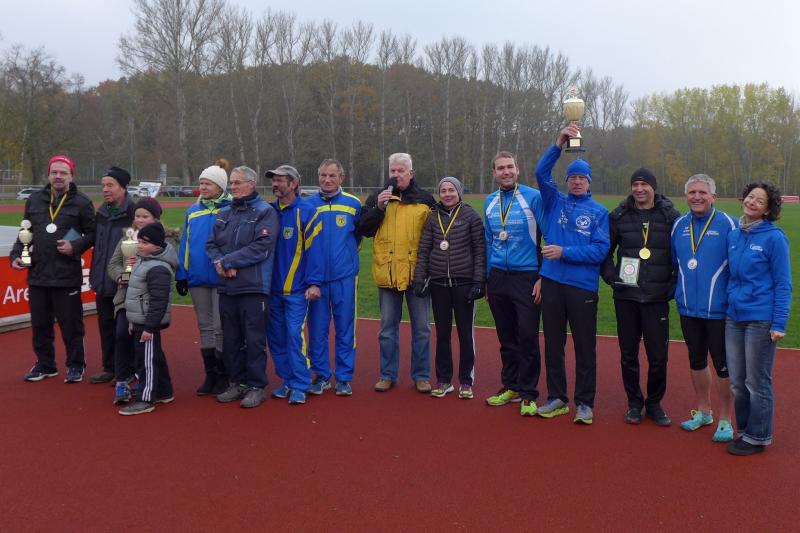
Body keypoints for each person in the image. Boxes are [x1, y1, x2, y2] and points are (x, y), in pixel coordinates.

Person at [534, 124, 610, 425]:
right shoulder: (556, 202)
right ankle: (556, 397)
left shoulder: (599, 212)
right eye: (573, 177)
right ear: (567, 181)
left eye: (582, 178)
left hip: (582, 287)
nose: (577, 182)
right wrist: (558, 144)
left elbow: (599, 251)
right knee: (553, 344)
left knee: (584, 346)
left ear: (589, 182)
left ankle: (585, 403)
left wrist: (564, 252)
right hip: (552, 283)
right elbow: (541, 172)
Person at [602, 168, 679, 426]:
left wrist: (671, 287)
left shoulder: (671, 217)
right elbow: (604, 252)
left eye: (644, 184)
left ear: (653, 188)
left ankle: (654, 403)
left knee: (658, 357)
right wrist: (611, 277)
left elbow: (682, 257)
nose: (639, 189)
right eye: (635, 184)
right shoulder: (618, 216)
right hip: (626, 297)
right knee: (628, 355)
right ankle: (634, 403)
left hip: (656, 298)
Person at [11, 155, 96, 383]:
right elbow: (25, 232)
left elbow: (92, 233)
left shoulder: (82, 202)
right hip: (38, 274)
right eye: (54, 172)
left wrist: (75, 246)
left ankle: (76, 365)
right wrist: (16, 255)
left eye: (63, 173)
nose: (58, 176)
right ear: (48, 175)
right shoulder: (34, 200)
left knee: (71, 325)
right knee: (40, 325)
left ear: (71, 176)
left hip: (66, 275)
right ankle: (45, 364)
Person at [360, 153, 436, 393]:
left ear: (411, 173)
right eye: (392, 171)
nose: (396, 175)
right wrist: (379, 208)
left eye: (401, 171)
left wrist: (428, 271)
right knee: (387, 329)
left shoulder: (425, 200)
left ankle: (421, 376)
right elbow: (364, 229)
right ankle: (387, 375)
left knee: (422, 328)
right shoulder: (377, 198)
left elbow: (435, 236)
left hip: (417, 275)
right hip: (388, 273)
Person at [725, 182, 791, 456]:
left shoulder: (775, 238)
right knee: (737, 382)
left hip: (760, 319)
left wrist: (779, 323)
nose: (752, 202)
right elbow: (731, 276)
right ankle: (745, 430)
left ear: (767, 210)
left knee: (756, 382)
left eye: (759, 201)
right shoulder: (734, 235)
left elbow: (783, 283)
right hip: (734, 317)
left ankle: (758, 436)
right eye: (750, 197)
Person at [671, 174, 737, 442]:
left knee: (723, 366)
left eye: (702, 192)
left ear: (713, 196)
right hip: (688, 308)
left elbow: (739, 266)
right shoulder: (678, 225)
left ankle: (726, 419)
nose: (697, 197)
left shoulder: (729, 224)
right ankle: (704, 411)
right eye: (692, 192)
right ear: (686, 196)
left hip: (720, 311)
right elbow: (674, 264)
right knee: (696, 361)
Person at [207, 166, 279, 409]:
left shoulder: (265, 211)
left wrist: (228, 261)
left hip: (253, 287)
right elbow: (211, 244)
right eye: (232, 183)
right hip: (227, 286)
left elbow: (262, 247)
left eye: (238, 182)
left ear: (252, 184)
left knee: (254, 339)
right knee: (231, 339)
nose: (233, 187)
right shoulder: (224, 212)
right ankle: (237, 382)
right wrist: (220, 263)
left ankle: (256, 386)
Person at [482, 152, 545, 414]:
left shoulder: (534, 197)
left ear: (517, 169)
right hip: (498, 277)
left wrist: (542, 276)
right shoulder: (489, 201)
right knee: (506, 337)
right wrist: (488, 279)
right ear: (494, 173)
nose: (506, 172)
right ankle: (511, 386)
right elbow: (489, 241)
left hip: (527, 276)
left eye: (510, 167)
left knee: (528, 336)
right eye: (500, 168)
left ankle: (529, 393)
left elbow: (549, 236)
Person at [414, 176, 486, 399]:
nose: (447, 194)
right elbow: (424, 249)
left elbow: (480, 251)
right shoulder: (432, 217)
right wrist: (419, 278)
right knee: (442, 334)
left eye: (451, 190)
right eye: (443, 190)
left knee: (465, 334)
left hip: (464, 284)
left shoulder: (471, 216)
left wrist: (478, 282)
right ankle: (444, 380)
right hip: (438, 285)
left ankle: (466, 381)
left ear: (459, 192)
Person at [304, 159, 362, 396]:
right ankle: (321, 376)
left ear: (341, 178)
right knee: (317, 330)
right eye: (323, 176)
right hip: (316, 280)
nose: (327, 180)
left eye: (332, 176)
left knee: (345, 329)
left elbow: (358, 237)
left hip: (344, 278)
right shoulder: (307, 205)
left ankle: (344, 378)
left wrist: (346, 259)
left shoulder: (353, 204)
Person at [265, 164, 321, 405]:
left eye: (280, 180)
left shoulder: (307, 211)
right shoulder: (268, 211)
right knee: (276, 337)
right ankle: (287, 379)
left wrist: (314, 283)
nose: (275, 184)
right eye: (273, 180)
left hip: (297, 290)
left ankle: (300, 383)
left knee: (294, 336)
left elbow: (315, 251)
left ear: (294, 184)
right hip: (271, 290)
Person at [176, 159, 232, 396]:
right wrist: (182, 274)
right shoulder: (193, 211)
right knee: (205, 327)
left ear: (220, 186)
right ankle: (210, 374)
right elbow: (185, 245)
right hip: (198, 277)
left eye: (208, 183)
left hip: (223, 277)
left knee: (220, 327)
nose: (203, 187)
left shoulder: (230, 208)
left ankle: (224, 374)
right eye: (201, 183)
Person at [107, 197, 164, 404]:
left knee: (144, 342)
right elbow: (113, 265)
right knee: (121, 335)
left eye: (145, 216)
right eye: (137, 216)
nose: (140, 220)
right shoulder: (126, 239)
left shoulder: (160, 240)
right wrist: (122, 276)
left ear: (155, 219)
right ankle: (122, 380)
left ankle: (146, 379)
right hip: (124, 298)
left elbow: (164, 265)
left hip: (146, 301)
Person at [118, 222, 177, 415]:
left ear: (157, 245)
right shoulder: (141, 262)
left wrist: (150, 327)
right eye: (139, 241)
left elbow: (158, 301)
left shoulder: (158, 268)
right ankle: (164, 391)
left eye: (145, 243)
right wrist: (129, 266)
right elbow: (128, 287)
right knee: (154, 356)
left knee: (146, 362)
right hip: (139, 319)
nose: (140, 245)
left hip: (147, 323)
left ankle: (146, 398)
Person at [89, 166, 136, 384]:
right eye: (103, 186)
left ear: (123, 188)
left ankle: (128, 369)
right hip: (102, 280)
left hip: (125, 283)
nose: (105, 190)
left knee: (124, 329)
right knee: (106, 326)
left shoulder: (134, 213)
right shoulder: (101, 212)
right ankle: (109, 367)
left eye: (110, 185)